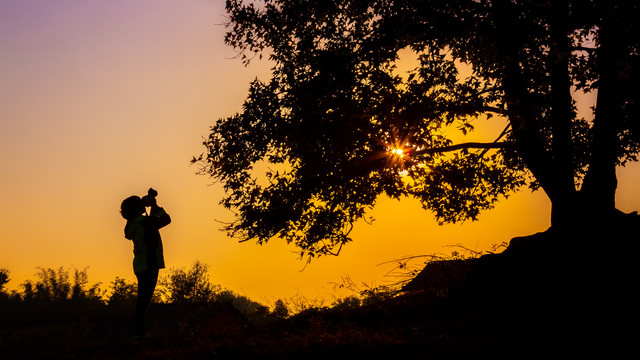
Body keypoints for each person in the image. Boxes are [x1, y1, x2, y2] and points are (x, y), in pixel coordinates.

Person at [120, 188, 171, 338]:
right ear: (137, 209)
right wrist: (155, 206)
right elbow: (166, 219)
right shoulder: (144, 222)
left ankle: (139, 331)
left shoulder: (133, 224)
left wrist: (151, 208)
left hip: (140, 264)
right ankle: (138, 333)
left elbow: (152, 223)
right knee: (144, 300)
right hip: (150, 263)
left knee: (143, 299)